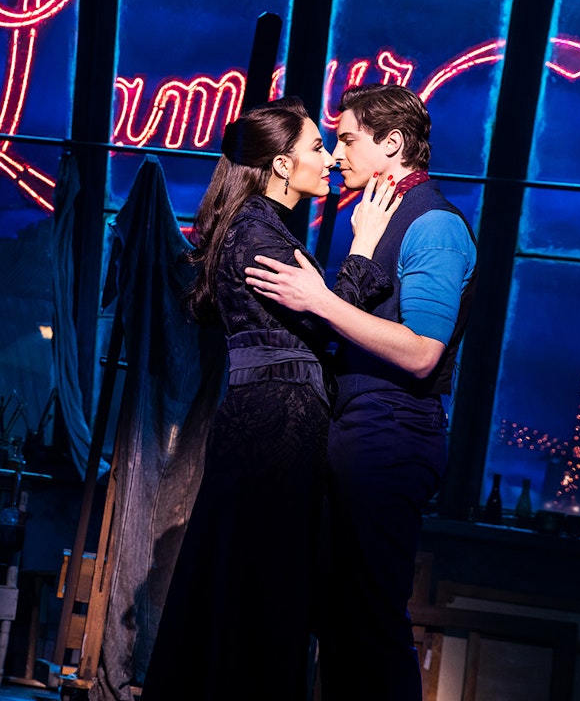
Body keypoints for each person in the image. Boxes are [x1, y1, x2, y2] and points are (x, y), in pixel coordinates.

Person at [142, 97, 401, 701]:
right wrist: (363, 247)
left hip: (268, 416)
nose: (330, 161)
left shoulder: (257, 227)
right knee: (264, 580)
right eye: (316, 148)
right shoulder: (258, 233)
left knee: (249, 577)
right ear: (281, 166)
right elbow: (328, 320)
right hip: (278, 419)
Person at [245, 84, 477, 701]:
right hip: (360, 430)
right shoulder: (374, 218)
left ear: (392, 144)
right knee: (342, 618)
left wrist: (320, 299)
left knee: (370, 621)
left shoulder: (434, 224)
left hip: (395, 432)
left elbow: (423, 351)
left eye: (347, 139)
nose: (336, 154)